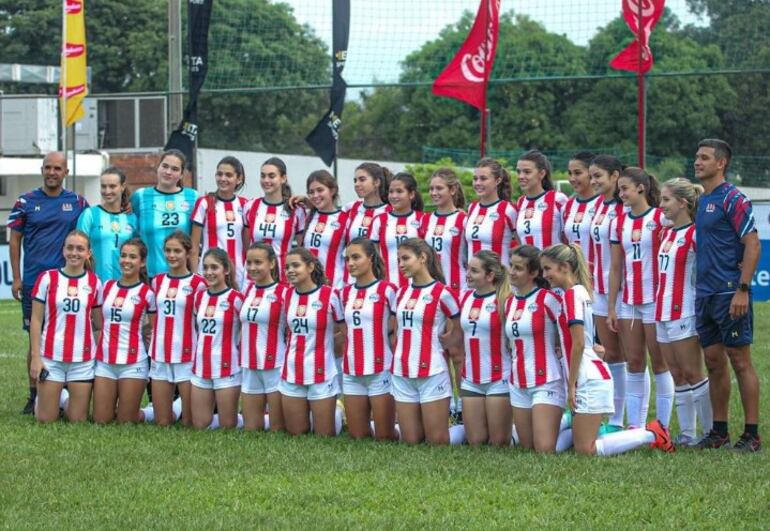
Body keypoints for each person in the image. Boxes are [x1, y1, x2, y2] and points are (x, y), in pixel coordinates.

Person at [541, 243, 674, 456]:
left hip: (589, 380)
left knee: (586, 450)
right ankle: (582, 426)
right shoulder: (578, 292)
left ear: (565, 267)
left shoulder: (572, 295)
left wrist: (572, 384)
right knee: (558, 446)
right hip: (591, 375)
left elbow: (579, 344)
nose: (545, 274)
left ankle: (651, 432)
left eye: (548, 269)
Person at [693, 139, 761, 452]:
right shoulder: (703, 199)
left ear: (721, 163)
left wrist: (743, 290)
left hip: (728, 293)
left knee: (740, 361)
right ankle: (719, 432)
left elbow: (752, 244)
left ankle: (751, 435)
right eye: (697, 157)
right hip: (705, 293)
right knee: (713, 362)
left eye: (704, 158)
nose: (697, 162)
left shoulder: (734, 198)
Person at [8, 151, 89, 414]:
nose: (52, 172)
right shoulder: (25, 201)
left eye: (57, 168)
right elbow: (15, 239)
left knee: (69, 335)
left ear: (66, 172)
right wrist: (18, 277)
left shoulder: (78, 202)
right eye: (47, 168)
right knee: (36, 339)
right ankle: (34, 395)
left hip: (69, 283)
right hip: (34, 283)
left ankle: (65, 390)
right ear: (42, 170)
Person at [607, 167, 674, 431]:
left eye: (624, 188)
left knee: (660, 364)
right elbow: (615, 268)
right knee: (634, 363)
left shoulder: (660, 218)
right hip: (628, 303)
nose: (620, 193)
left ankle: (663, 428)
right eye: (619, 189)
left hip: (655, 301)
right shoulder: (618, 221)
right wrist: (612, 306)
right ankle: (635, 427)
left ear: (641, 188)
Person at [656, 179, 713, 445]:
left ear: (683, 203)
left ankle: (712, 432)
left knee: (693, 373)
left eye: (666, 200)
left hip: (684, 311)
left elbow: (707, 270)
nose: (661, 205)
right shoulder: (666, 233)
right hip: (661, 311)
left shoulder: (695, 234)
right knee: (676, 374)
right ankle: (688, 434)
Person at [391, 238, 462, 445]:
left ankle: (463, 431)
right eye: (398, 259)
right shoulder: (402, 293)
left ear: (422, 258)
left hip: (432, 371)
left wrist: (446, 344)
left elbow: (458, 328)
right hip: (402, 371)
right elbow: (397, 330)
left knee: (437, 441)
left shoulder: (443, 293)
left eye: (405, 258)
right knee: (411, 441)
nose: (401, 264)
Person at [28, 230, 102, 423]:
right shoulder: (47, 278)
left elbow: (97, 325)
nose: (74, 253)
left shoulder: (95, 282)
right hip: (51, 357)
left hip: (82, 359)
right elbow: (36, 320)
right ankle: (50, 397)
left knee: (77, 419)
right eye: (70, 248)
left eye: (80, 249)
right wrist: (36, 357)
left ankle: (63, 397)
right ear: (63, 250)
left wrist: (99, 358)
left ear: (88, 253)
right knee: (45, 419)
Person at [505, 245, 565, 453]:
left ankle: (576, 426)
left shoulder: (549, 300)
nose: (511, 272)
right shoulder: (509, 303)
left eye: (518, 268)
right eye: (511, 266)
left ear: (534, 273)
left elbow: (570, 333)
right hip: (518, 382)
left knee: (544, 449)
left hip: (546, 379)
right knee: (527, 446)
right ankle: (561, 423)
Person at [280, 248, 345, 437]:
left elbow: (345, 331)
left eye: (295, 265)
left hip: (322, 372)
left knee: (324, 435)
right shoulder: (286, 295)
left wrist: (326, 346)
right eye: (287, 267)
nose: (290, 270)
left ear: (310, 267)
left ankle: (338, 411)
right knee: (297, 433)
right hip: (292, 370)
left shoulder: (330, 295)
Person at [340, 238, 398, 441]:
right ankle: (337, 415)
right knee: (358, 436)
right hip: (352, 370)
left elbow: (400, 325)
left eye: (356, 257)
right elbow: (343, 329)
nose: (351, 264)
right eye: (347, 259)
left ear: (371, 258)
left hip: (380, 368)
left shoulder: (387, 290)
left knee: (385, 437)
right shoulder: (344, 293)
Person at [93, 238, 157, 424]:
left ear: (142, 262)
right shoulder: (107, 287)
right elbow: (98, 322)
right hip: (105, 363)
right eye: (123, 255)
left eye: (132, 257)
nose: (126, 260)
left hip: (133, 363)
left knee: (126, 422)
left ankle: (151, 412)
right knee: (101, 420)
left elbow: (153, 328)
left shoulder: (147, 293)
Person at [147, 231, 207, 427]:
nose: (172, 255)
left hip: (187, 353)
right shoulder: (156, 281)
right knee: (162, 422)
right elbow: (153, 316)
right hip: (160, 352)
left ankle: (184, 406)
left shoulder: (198, 284)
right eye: (168, 251)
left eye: (177, 251)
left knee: (189, 422)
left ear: (188, 253)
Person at [588, 155, 627, 430]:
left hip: (624, 290)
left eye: (598, 176)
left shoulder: (626, 207)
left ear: (615, 176)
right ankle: (613, 418)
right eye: (592, 177)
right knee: (610, 354)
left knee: (631, 358)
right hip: (599, 289)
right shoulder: (597, 206)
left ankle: (624, 419)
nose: (593, 182)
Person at [458, 250, 512, 446]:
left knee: (498, 442)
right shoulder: (464, 298)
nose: (468, 275)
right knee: (477, 442)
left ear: (490, 276)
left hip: (499, 378)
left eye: (474, 271)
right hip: (471, 379)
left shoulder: (506, 300)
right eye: (467, 269)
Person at [190, 249, 244, 430]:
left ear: (226, 270)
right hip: (201, 367)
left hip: (227, 368)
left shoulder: (236, 299)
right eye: (205, 268)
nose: (209, 272)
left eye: (215, 267)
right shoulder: (199, 297)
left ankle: (258, 418)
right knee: (199, 425)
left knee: (227, 425)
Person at [239, 242, 290, 432]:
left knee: (278, 428)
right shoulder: (246, 291)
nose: (252, 267)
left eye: (258, 262)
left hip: (275, 364)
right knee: (251, 429)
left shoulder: (284, 292)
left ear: (271, 264)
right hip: (249, 364)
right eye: (249, 263)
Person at [130, 149, 199, 279]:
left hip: (183, 277)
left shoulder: (193, 197)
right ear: (158, 167)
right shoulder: (141, 196)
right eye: (165, 166)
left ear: (181, 174)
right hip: (148, 276)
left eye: (174, 169)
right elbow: (131, 232)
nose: (168, 172)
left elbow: (198, 238)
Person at [242, 157, 306, 283]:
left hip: (283, 278)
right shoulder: (250, 206)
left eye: (271, 176)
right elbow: (246, 246)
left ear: (283, 178)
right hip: (252, 280)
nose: (266, 180)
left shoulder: (296, 210)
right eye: (263, 176)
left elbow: (302, 250)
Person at [191, 156, 249, 288]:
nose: (223, 179)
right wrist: (195, 277)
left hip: (238, 275)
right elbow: (194, 247)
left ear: (238, 179)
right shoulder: (204, 203)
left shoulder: (245, 204)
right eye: (219, 174)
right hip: (208, 273)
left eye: (228, 175)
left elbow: (247, 246)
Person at [76, 166, 137, 281]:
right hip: (96, 285)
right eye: (103, 186)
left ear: (122, 187)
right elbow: (78, 250)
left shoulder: (131, 218)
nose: (107, 191)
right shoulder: (89, 215)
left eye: (112, 186)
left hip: (125, 286)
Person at [369, 173, 426, 288]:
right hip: (387, 287)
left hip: (416, 286)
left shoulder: (423, 219)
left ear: (411, 194)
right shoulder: (379, 221)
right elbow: (373, 259)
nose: (394, 196)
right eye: (391, 191)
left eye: (399, 191)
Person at [420, 168, 468, 293]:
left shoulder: (464, 219)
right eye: (431, 188)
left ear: (452, 190)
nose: (434, 192)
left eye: (439, 188)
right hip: (430, 289)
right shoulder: (425, 219)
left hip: (458, 287)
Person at [465, 158, 518, 266]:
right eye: (475, 179)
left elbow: (521, 245)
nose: (478, 183)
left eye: (483, 179)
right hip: (474, 279)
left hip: (499, 279)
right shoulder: (472, 208)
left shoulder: (508, 209)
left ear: (498, 181)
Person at [302, 170, 348, 288]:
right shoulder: (306, 216)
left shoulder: (345, 219)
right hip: (307, 286)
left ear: (332, 191)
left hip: (335, 286)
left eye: (320, 190)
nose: (315, 195)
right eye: (311, 192)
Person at [515, 150, 569, 249]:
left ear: (542, 173)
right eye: (519, 172)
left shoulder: (558, 199)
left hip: (552, 263)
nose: (521, 176)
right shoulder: (520, 202)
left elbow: (568, 237)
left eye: (527, 172)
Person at [562, 152, 602, 271]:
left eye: (577, 173)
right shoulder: (567, 206)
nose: (572, 178)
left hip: (598, 280)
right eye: (570, 173)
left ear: (592, 174)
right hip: (574, 277)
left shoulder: (603, 204)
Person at [344, 162, 392, 243]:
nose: (356, 184)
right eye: (355, 180)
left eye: (362, 180)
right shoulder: (349, 208)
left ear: (377, 182)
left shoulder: (390, 212)